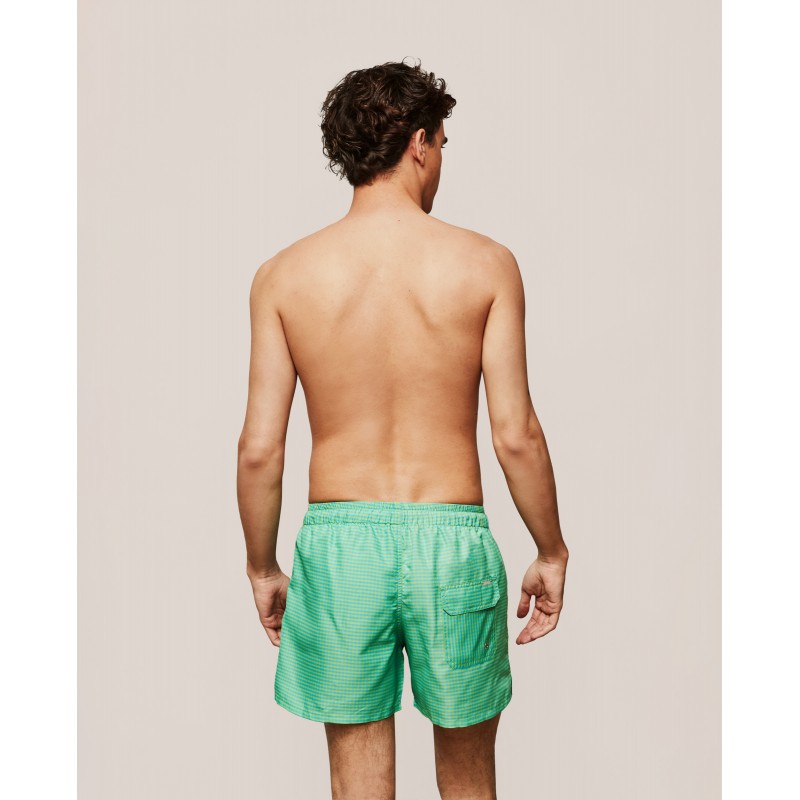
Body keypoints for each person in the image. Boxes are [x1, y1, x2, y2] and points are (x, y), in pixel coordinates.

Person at [236, 58, 569, 800]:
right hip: (451, 541)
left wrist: (262, 567)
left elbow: (260, 449)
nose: (441, 159)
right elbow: (515, 433)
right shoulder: (486, 264)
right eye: (442, 143)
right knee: (471, 783)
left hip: (340, 546)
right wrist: (551, 549)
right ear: (419, 142)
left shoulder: (283, 275)